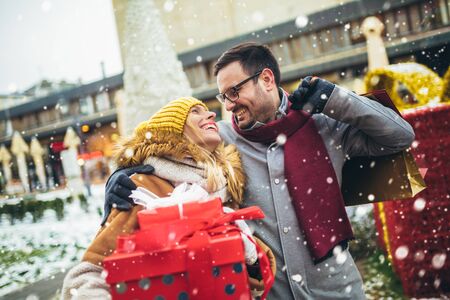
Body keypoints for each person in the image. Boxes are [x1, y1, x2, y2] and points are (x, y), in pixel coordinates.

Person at [104, 43, 415, 299]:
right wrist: (120, 175)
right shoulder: (221, 139)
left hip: (338, 291)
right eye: (223, 96)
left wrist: (337, 99)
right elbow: (159, 146)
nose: (228, 105)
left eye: (234, 92)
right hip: (269, 293)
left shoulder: (325, 126)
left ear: (267, 79)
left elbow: (401, 135)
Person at [61, 97, 276, 299]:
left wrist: (251, 261)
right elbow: (88, 275)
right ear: (173, 130)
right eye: (195, 111)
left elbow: (254, 285)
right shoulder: (142, 189)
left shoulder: (225, 190)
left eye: (207, 110)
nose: (210, 114)